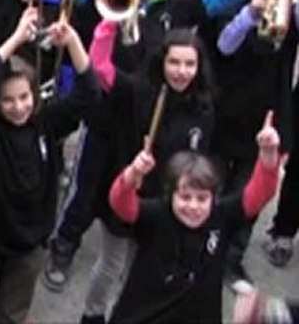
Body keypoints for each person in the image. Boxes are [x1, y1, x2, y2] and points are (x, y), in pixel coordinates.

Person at [106, 112, 281, 323]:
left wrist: (269, 154)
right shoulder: (157, 215)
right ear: (170, 194)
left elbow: (259, 194)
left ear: (213, 197)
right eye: (185, 197)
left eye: (202, 198)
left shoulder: (222, 216)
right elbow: (121, 205)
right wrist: (132, 174)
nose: (193, 206)